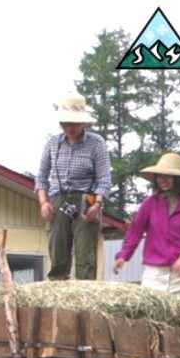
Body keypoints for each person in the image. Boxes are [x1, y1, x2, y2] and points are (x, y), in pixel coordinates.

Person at [35, 92, 113, 281]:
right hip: (58, 196)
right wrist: (44, 202)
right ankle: (57, 286)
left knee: (85, 251)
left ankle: (86, 291)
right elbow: (42, 177)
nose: (70, 128)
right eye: (66, 123)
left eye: (74, 124)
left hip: (87, 195)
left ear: (83, 123)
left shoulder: (97, 143)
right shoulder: (52, 143)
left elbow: (104, 178)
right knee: (57, 247)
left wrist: (97, 204)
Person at [113, 152, 180, 299]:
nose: (163, 180)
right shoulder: (149, 204)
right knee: (151, 318)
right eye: (159, 176)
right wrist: (123, 255)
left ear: (179, 179)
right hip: (154, 274)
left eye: (168, 176)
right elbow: (135, 231)